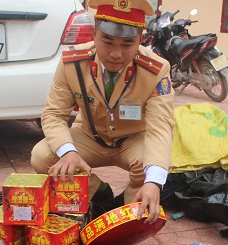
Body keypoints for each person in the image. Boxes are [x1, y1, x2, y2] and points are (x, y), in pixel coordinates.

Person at [31, 0, 175, 223]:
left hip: (133, 139)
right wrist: (68, 152)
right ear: (94, 34)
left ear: (140, 40)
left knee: (151, 170)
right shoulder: (73, 63)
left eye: (127, 45)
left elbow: (161, 128)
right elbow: (53, 115)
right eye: (107, 42)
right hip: (90, 135)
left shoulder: (156, 70)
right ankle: (99, 193)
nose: (116, 54)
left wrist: (154, 183)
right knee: (43, 158)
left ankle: (125, 211)